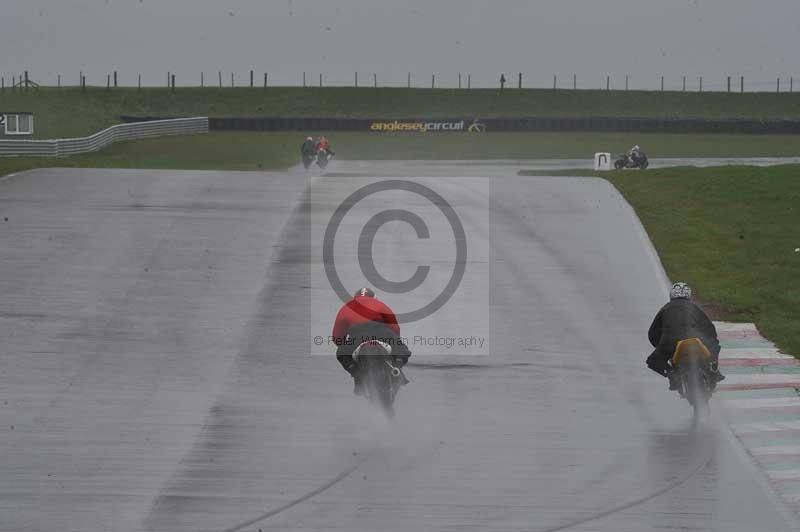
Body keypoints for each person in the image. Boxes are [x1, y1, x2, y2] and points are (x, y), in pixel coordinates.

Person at [646, 282, 725, 390]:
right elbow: (709, 328)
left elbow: (652, 333)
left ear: (672, 295)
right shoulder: (694, 308)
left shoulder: (665, 308)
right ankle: (714, 368)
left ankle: (671, 375)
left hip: (670, 342)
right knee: (714, 347)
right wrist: (713, 343)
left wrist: (660, 347)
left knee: (652, 361)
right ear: (689, 296)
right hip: (696, 338)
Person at [331, 288, 411, 395]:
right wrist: (395, 345)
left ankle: (358, 378)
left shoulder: (346, 307)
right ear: (374, 298)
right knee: (402, 350)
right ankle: (397, 368)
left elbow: (337, 338)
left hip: (358, 336)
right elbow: (395, 329)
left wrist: (346, 348)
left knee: (341, 354)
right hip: (383, 333)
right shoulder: (381, 305)